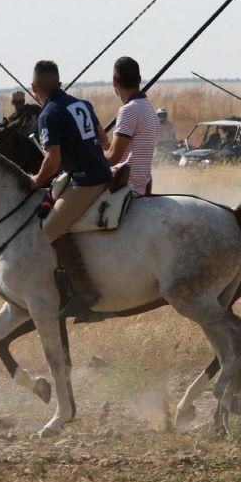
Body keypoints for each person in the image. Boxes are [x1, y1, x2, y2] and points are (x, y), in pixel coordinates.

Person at [29, 60, 112, 320]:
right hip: (98, 171)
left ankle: (84, 296)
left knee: (49, 229)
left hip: (86, 181)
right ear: (59, 82)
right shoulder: (82, 104)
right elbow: (105, 140)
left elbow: (52, 160)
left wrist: (36, 180)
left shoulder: (48, 114)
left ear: (34, 88)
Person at [103, 57, 159, 196]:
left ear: (114, 81)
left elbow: (113, 158)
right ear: (139, 79)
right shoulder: (148, 107)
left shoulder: (129, 109)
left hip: (124, 184)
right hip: (141, 183)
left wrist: (87, 155)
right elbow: (133, 148)